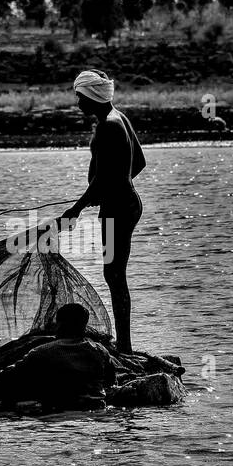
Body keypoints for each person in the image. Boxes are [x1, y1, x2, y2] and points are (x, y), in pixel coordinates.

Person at [61, 70, 145, 353]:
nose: (78, 103)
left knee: (114, 274)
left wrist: (76, 209)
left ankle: (125, 348)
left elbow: (103, 178)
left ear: (91, 96)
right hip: (124, 203)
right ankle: (125, 345)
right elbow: (138, 163)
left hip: (118, 210)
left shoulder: (109, 126)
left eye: (80, 97)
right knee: (115, 273)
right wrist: (117, 184)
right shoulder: (118, 118)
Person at [0, 303, 116, 409]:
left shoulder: (43, 352)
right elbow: (111, 382)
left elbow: (7, 376)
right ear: (84, 326)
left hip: (60, 408)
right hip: (96, 405)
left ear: (59, 324)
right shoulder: (100, 351)